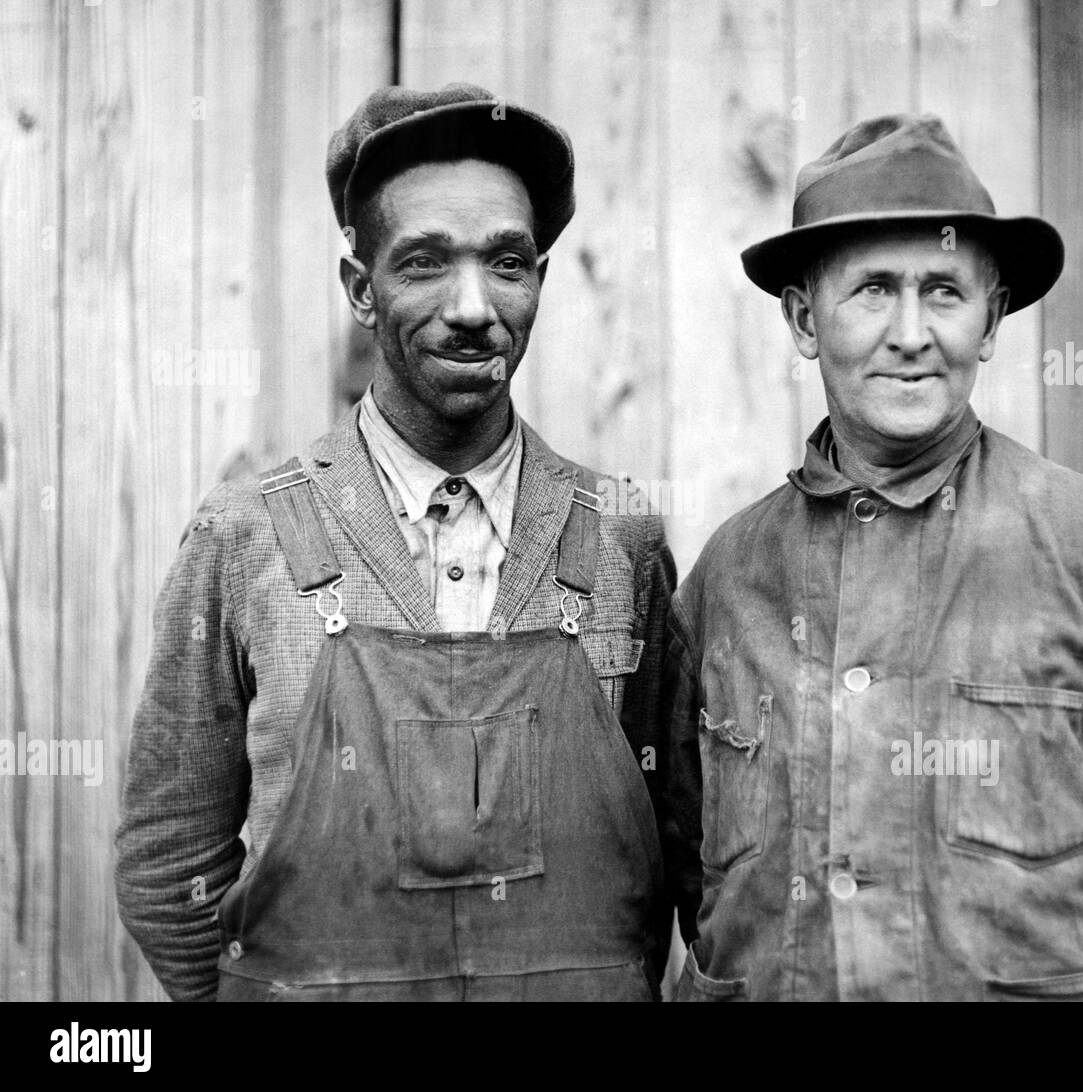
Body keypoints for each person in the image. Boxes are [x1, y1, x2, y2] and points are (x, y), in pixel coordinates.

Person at [663, 113, 1083, 1001]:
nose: (912, 332)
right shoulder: (729, 579)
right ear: (806, 320)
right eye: (873, 290)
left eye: (946, 292)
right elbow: (691, 865)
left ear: (992, 319)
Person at [117, 84, 675, 1002]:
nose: (471, 306)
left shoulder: (621, 540)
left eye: (508, 262)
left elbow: (666, 858)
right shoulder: (244, 537)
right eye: (423, 262)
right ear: (361, 289)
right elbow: (167, 853)